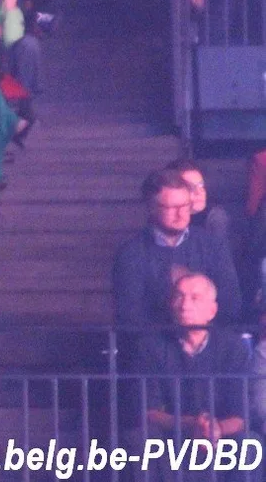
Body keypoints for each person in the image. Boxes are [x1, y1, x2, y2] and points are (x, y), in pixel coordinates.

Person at [135, 273, 251, 467]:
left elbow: (242, 415)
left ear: (212, 311)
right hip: (171, 433)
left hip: (221, 435)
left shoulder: (233, 347)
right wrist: (192, 424)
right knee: (139, 441)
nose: (184, 305)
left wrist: (215, 429)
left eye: (195, 298)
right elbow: (149, 410)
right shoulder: (151, 347)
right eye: (178, 297)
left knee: (250, 444)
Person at [113, 168, 241, 330]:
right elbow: (130, 315)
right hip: (153, 342)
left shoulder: (213, 246)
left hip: (209, 339)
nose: (181, 214)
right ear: (152, 208)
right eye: (171, 208)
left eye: (185, 206)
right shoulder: (131, 254)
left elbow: (230, 305)